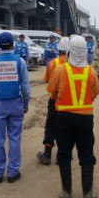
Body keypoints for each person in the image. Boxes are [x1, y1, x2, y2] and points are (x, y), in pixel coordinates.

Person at [48, 36, 99, 198]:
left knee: (64, 154)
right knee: (86, 154)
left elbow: (52, 93)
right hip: (85, 119)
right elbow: (94, 94)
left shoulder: (59, 70)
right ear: (85, 52)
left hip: (63, 118)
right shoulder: (91, 71)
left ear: (69, 52)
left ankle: (66, 193)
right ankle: (88, 194)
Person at [0, 32, 30, 183]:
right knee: (15, 137)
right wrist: (26, 103)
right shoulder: (21, 62)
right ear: (13, 45)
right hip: (16, 103)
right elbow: (25, 86)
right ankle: (12, 172)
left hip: (0, 105)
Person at [37, 37, 70, 165]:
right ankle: (61, 157)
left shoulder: (52, 64)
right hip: (67, 102)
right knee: (65, 129)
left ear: (59, 50)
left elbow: (46, 80)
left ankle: (47, 154)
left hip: (54, 100)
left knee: (50, 127)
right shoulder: (73, 65)